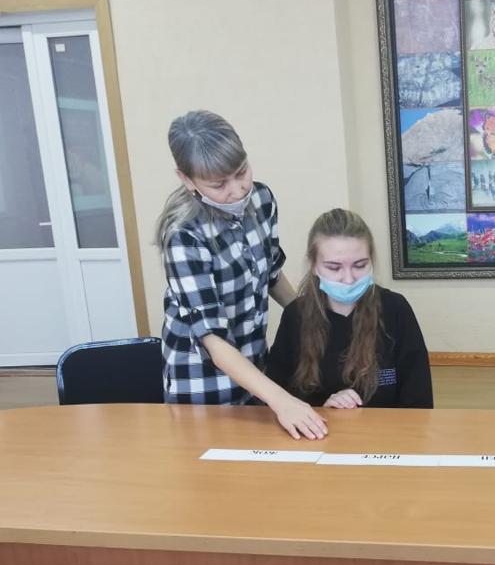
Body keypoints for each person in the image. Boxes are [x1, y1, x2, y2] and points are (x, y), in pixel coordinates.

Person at [157, 110, 326, 440]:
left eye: (241, 172)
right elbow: (212, 339)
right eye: (218, 184)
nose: (236, 191)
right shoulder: (183, 235)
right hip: (203, 382)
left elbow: (271, 273)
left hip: (255, 365)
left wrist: (309, 318)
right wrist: (282, 400)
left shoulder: (261, 200)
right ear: (187, 179)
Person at [266, 208, 433, 409]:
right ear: (314, 265)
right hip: (317, 428)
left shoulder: (395, 309)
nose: (348, 279)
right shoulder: (295, 316)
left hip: (387, 429)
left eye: (359, 265)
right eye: (334, 267)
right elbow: (278, 396)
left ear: (371, 261)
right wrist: (326, 411)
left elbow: (419, 401)